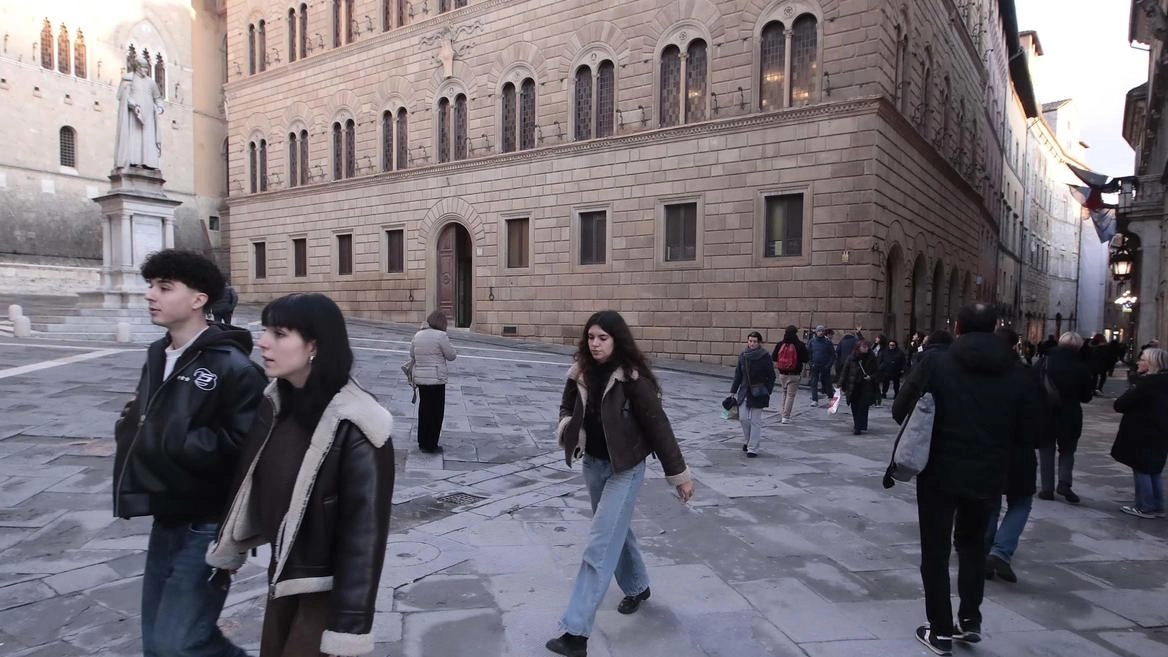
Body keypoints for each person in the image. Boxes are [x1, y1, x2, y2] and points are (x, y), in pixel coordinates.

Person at [208, 293, 395, 657]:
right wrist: (229, 545)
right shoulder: (275, 402)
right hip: (283, 578)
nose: (263, 342)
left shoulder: (359, 425)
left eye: (279, 334)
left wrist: (348, 630)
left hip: (325, 592)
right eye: (265, 331)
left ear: (314, 346)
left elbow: (365, 539)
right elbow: (247, 480)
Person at [112, 249, 267, 657]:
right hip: (167, 515)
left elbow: (246, 449)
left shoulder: (234, 367)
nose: (151, 295)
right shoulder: (156, 355)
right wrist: (130, 427)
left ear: (198, 299)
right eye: (150, 286)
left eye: (164, 287)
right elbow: (143, 417)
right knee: (157, 645)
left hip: (207, 524)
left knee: (180, 642)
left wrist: (171, 435)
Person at [547, 310, 694, 657]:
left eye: (603, 338)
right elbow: (566, 405)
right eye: (591, 337)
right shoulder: (579, 371)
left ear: (616, 340)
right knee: (616, 530)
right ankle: (638, 586)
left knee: (599, 544)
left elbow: (659, 427)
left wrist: (680, 476)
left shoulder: (633, 379)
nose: (595, 344)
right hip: (594, 466)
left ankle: (575, 632)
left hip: (625, 469)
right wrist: (568, 426)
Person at [892, 304, 1030, 655]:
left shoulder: (936, 363)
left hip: (939, 471)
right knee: (972, 546)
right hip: (988, 474)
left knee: (935, 550)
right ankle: (970, 620)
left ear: (959, 327)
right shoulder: (1016, 371)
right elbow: (1033, 429)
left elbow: (899, 411)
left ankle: (939, 631)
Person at [984, 328, 1044, 584]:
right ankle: (1000, 551)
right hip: (1020, 449)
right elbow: (1039, 414)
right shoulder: (1027, 375)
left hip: (987, 448)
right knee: (1021, 502)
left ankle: (984, 551)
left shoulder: (980, 373)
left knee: (989, 501)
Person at [1110, 348, 1168, 519]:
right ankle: (1157, 505)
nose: (1138, 362)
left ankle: (1145, 506)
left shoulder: (1146, 384)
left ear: (1151, 364)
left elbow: (1120, 405)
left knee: (1141, 467)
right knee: (1154, 469)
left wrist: (1135, 384)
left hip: (1141, 431)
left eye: (1142, 359)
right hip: (1161, 431)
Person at [1037, 332, 1095, 504]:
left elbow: (1032, 385)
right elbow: (1086, 396)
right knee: (1068, 450)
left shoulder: (1044, 362)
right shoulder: (1081, 366)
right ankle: (1064, 482)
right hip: (1070, 414)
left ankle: (1046, 489)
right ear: (1078, 346)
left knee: (1046, 450)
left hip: (1045, 413)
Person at [410, 310, 457, 454]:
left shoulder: (418, 335)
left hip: (422, 379)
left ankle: (422, 441)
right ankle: (432, 444)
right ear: (442, 323)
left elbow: (412, 354)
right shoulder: (441, 336)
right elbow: (451, 356)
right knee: (436, 413)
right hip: (436, 380)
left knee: (424, 410)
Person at [731, 331, 776, 457]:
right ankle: (748, 440)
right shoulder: (743, 355)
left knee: (755, 421)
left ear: (759, 342)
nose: (752, 343)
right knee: (743, 418)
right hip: (744, 391)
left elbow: (771, 375)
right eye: (750, 341)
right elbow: (738, 374)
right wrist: (733, 391)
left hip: (759, 392)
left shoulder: (765, 356)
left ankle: (752, 448)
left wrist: (768, 390)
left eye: (755, 341)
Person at [772, 325, 810, 424]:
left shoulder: (780, 344)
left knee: (784, 393)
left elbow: (774, 357)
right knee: (790, 395)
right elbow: (806, 358)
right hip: (795, 373)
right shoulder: (799, 345)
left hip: (782, 373)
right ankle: (786, 416)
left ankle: (783, 413)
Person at [839, 340, 877, 435]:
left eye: (867, 347)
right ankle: (858, 424)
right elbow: (845, 371)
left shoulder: (872, 358)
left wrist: (871, 377)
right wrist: (840, 384)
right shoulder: (852, 357)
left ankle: (858, 427)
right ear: (858, 347)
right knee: (855, 406)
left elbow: (877, 372)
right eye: (863, 347)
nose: (866, 348)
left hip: (866, 386)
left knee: (863, 406)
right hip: (853, 386)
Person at [807, 325, 835, 407]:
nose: (821, 332)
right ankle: (814, 399)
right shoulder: (812, 342)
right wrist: (811, 363)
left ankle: (830, 398)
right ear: (816, 332)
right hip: (815, 365)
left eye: (822, 331)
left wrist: (829, 365)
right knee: (814, 383)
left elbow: (833, 355)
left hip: (825, 366)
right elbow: (809, 354)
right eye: (819, 331)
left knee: (828, 382)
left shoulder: (827, 342)